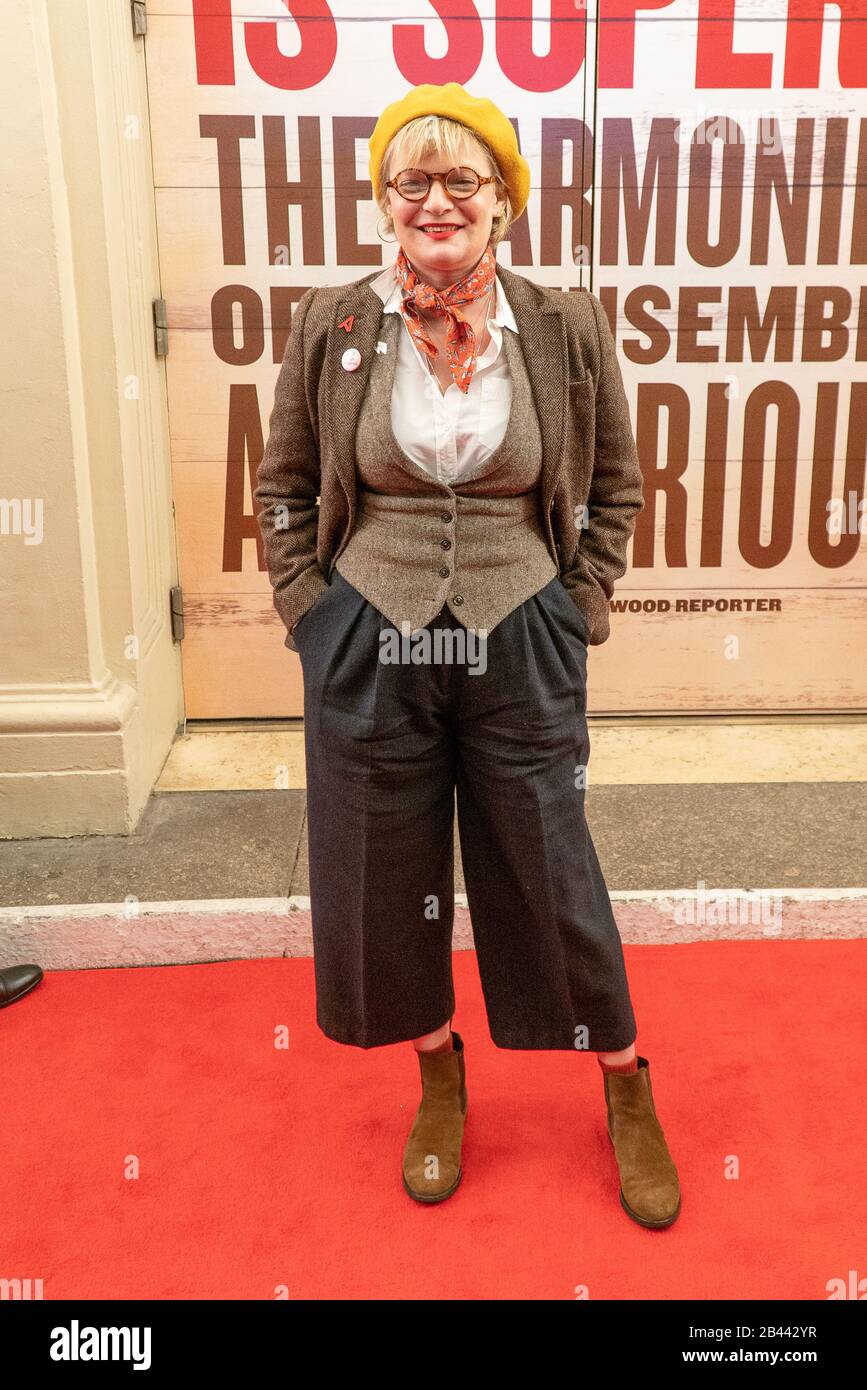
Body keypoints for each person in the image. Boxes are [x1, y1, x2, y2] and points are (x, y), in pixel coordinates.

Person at [254, 82, 680, 1228]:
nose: (436, 202)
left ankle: (625, 1078)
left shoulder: (563, 324)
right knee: (383, 872)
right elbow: (286, 485)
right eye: (413, 182)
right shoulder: (335, 325)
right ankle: (438, 1074)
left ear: (503, 203)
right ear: (384, 202)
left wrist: (577, 601)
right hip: (368, 636)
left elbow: (620, 489)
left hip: (521, 631)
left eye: (463, 181)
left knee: (552, 865)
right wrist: (311, 609)